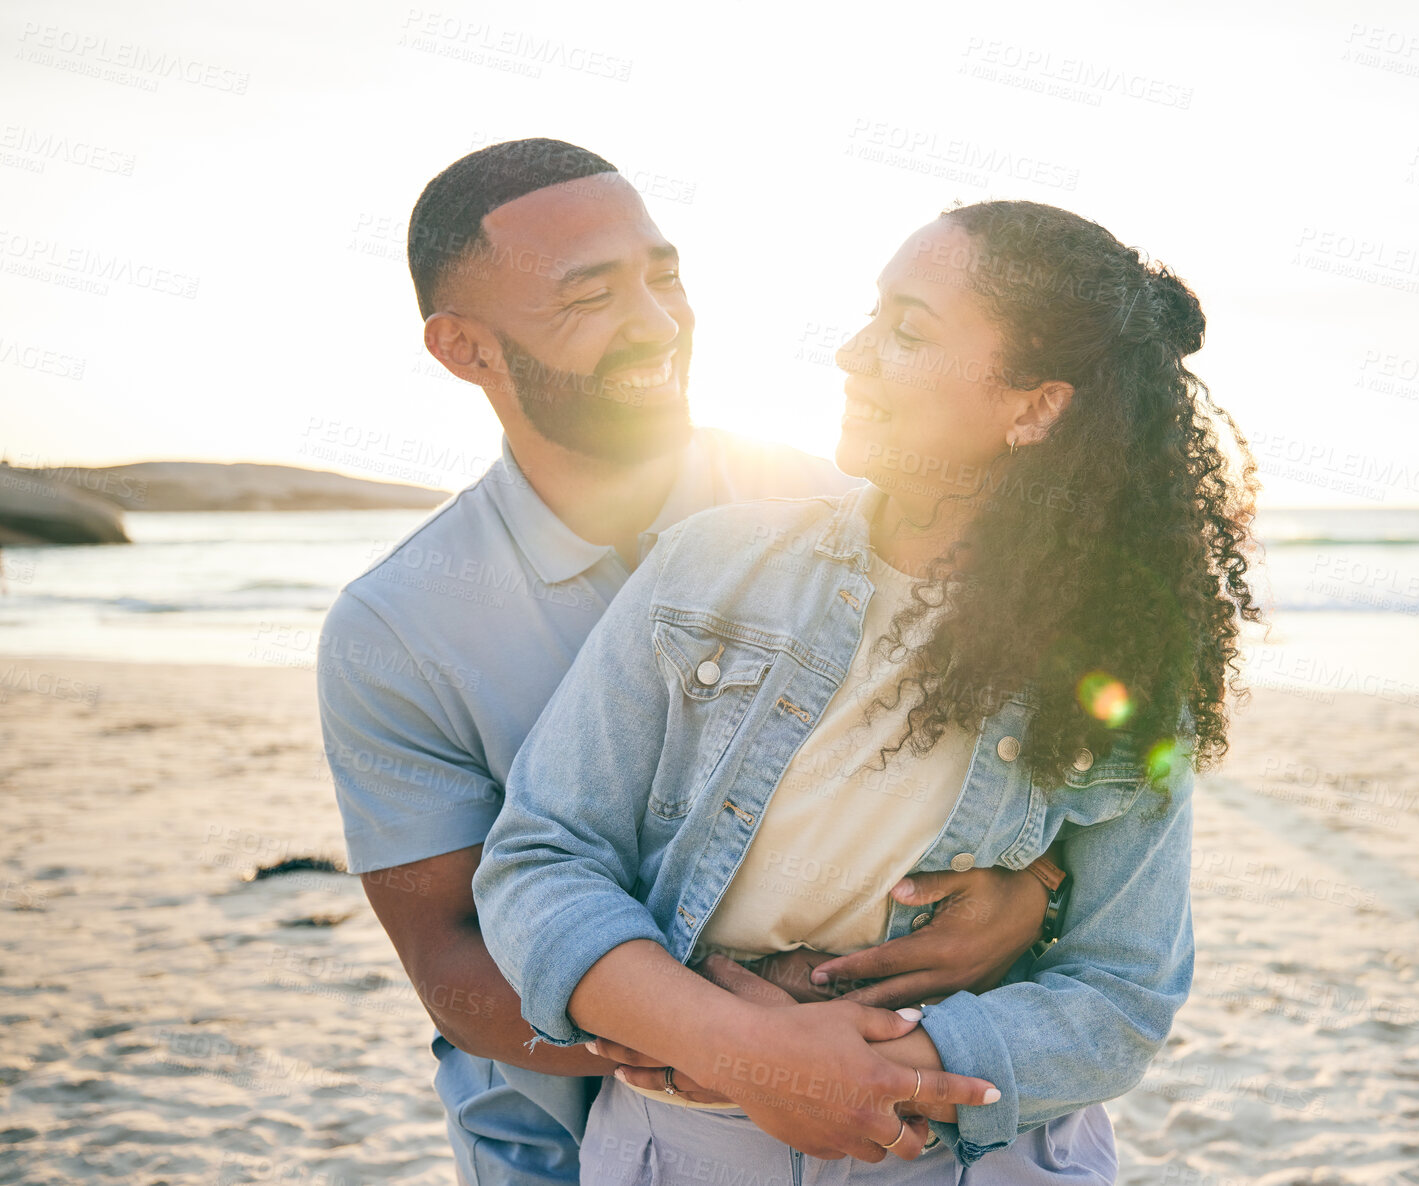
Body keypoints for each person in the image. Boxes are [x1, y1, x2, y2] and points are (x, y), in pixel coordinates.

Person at [316, 141, 1067, 1185]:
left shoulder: (864, 517)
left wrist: (1036, 895)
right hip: (554, 1140)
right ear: (466, 349)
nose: (659, 324)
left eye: (663, 276)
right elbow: (449, 957)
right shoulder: (396, 628)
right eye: (589, 295)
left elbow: (1048, 781)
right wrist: (730, 1046)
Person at [474, 199, 1263, 1181]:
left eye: (906, 331)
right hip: (684, 1148)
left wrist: (885, 1065)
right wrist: (743, 1049)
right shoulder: (710, 568)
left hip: (967, 1152)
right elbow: (540, 859)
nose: (852, 354)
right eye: (870, 316)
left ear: (1034, 408)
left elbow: (1122, 990)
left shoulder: (1119, 656)